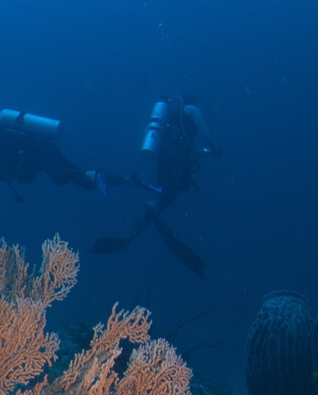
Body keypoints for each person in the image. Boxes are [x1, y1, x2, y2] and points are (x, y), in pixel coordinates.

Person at [91, 97, 222, 274]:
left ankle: (137, 191)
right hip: (177, 154)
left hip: (163, 155)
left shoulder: (170, 115)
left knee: (165, 190)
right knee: (172, 192)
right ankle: (151, 204)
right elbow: (204, 134)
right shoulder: (192, 110)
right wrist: (215, 148)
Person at [0, 95, 134, 198]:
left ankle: (94, 175)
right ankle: (127, 180)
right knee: (82, 183)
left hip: (42, 152)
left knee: (64, 175)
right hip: (45, 148)